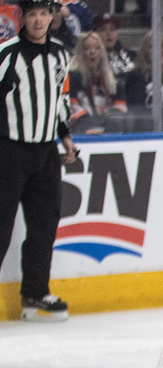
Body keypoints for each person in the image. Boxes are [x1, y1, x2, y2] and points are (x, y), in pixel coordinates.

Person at [0, 0, 77, 322]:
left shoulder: (60, 53)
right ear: (22, 18)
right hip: (9, 151)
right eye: (31, 14)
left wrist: (66, 136)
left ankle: (35, 292)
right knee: (1, 226)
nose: (38, 20)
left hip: (46, 152)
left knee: (44, 225)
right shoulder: (7, 54)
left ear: (51, 17)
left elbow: (59, 99)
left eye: (43, 14)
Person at [67, 30, 126, 133]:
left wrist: (109, 123)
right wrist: (90, 125)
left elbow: (121, 107)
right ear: (80, 52)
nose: (92, 52)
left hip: (108, 132)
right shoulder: (72, 77)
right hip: (80, 133)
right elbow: (71, 107)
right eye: (87, 48)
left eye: (97, 48)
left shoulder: (110, 78)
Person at [94, 13, 134, 88]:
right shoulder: (92, 59)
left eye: (113, 29)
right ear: (95, 33)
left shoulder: (131, 55)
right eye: (103, 29)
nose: (109, 33)